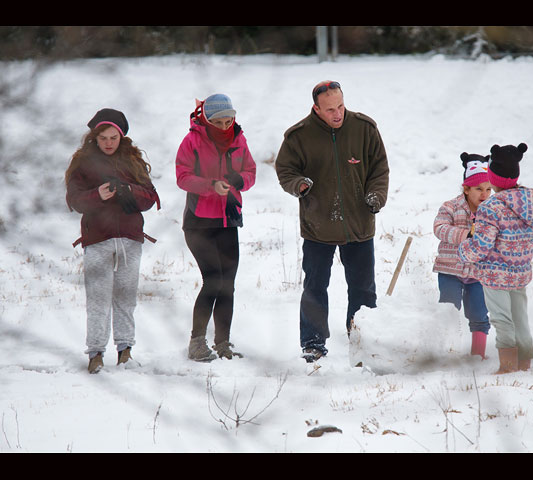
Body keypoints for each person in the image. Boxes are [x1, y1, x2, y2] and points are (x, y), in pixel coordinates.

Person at [275, 80, 390, 363]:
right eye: (329, 109)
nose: (337, 113)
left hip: (359, 223)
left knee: (363, 289)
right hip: (318, 224)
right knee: (315, 286)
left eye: (340, 106)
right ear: (316, 108)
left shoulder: (364, 128)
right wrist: (298, 185)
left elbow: (379, 169)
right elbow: (285, 169)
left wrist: (376, 195)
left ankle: (362, 341)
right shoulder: (298, 136)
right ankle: (313, 344)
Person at [65, 108, 161, 374]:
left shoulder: (133, 161)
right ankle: (95, 353)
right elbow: (74, 200)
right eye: (103, 137)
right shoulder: (83, 163)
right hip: (97, 239)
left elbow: (151, 197)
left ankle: (125, 351)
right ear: (94, 137)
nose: (108, 142)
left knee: (126, 298)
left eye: (113, 137)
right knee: (97, 299)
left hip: (130, 239)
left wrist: (129, 191)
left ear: (122, 137)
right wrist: (98, 195)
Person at [175, 93, 256, 361]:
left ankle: (223, 343)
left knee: (228, 284)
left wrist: (239, 180)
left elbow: (251, 171)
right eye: (219, 122)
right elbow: (183, 177)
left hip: (228, 220)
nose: (225, 126)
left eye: (229, 120)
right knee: (213, 281)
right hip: (199, 223)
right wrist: (211, 187)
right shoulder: (193, 141)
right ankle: (196, 343)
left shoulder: (239, 139)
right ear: (207, 120)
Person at [459, 143, 533, 374]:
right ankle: (524, 361)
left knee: (502, 318)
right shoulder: (531, 201)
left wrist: (464, 250)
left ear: (493, 178)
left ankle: (508, 365)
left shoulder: (491, 207)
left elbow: (482, 245)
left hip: (496, 274)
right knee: (520, 317)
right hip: (520, 271)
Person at [433, 152, 492, 359]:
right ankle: (444, 353)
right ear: (466, 189)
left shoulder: (493, 212)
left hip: (477, 273)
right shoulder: (451, 207)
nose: (484, 194)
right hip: (450, 269)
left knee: (478, 314)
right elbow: (439, 228)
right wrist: (466, 234)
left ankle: (478, 355)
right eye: (478, 189)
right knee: (448, 311)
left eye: (488, 189)